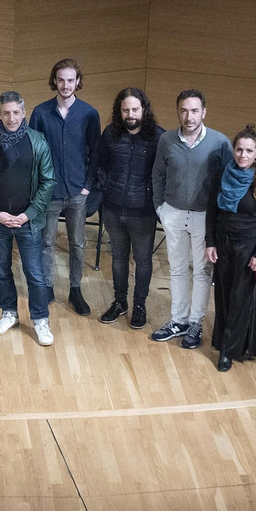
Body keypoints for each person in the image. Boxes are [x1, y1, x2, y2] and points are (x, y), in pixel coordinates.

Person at [0, 91, 56, 346]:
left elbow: (48, 182)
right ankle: (9, 313)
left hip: (27, 222)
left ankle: (40, 319)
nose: (11, 117)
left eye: (16, 112)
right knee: (1, 271)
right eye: (6, 112)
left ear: (24, 113)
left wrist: (28, 215)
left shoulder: (38, 142)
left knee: (35, 274)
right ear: (0, 114)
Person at [149, 89, 232, 350]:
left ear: (204, 112)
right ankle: (179, 320)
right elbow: (157, 175)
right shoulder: (167, 140)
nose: (189, 116)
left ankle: (196, 323)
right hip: (172, 213)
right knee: (176, 269)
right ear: (178, 112)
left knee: (202, 271)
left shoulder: (220, 142)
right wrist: (161, 209)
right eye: (184, 110)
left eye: (194, 110)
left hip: (204, 218)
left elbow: (229, 182)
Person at [28, 58, 101, 316]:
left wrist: (87, 187)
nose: (66, 85)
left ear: (78, 81)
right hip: (49, 193)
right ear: (54, 81)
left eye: (71, 80)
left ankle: (75, 289)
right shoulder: (40, 113)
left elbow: (96, 154)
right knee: (46, 241)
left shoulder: (89, 114)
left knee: (78, 243)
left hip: (77, 193)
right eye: (61, 80)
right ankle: (47, 287)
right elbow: (32, 152)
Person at [206, 126, 256, 372]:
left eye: (249, 151)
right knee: (224, 296)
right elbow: (212, 211)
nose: (243, 155)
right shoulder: (221, 174)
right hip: (223, 242)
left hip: (248, 247)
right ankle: (224, 341)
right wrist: (210, 242)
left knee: (240, 299)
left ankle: (228, 352)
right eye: (239, 149)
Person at [90, 88, 165, 330]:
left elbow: (162, 175)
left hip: (143, 212)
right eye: (125, 110)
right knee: (119, 259)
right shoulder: (110, 133)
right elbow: (99, 165)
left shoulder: (158, 138)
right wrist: (105, 191)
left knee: (143, 261)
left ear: (144, 109)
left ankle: (139, 306)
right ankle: (120, 302)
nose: (130, 114)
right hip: (112, 209)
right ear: (119, 111)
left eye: (135, 109)